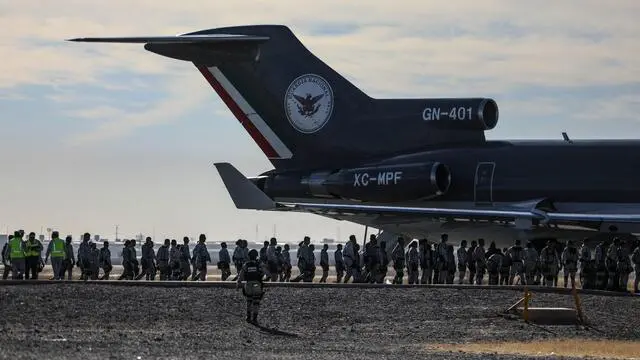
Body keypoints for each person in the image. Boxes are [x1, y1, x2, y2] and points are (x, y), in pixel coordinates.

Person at [237, 249, 265, 324]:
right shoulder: (259, 264)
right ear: (256, 256)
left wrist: (238, 283)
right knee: (256, 302)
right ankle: (255, 318)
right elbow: (265, 272)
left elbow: (241, 275)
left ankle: (248, 317)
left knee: (249, 301)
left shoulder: (246, 264)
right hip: (257, 284)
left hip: (248, 284)